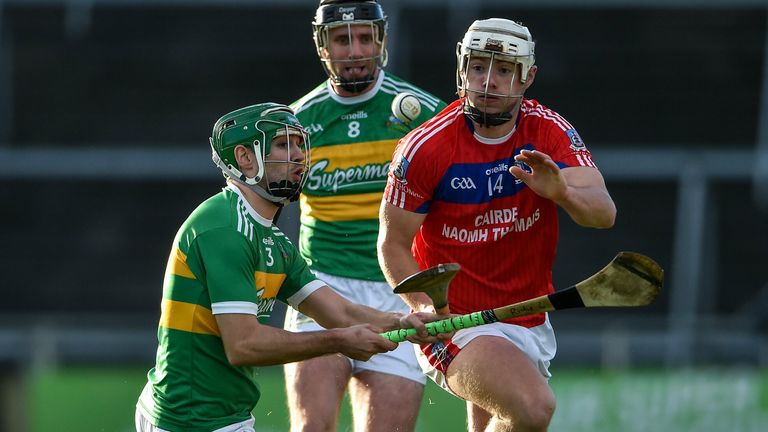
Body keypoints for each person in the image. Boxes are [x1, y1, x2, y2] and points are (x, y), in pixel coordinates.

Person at [134, 103, 445, 432]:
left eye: (299, 144)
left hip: (220, 417)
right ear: (244, 157)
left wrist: (405, 322)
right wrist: (338, 341)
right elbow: (243, 345)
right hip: (188, 421)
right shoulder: (224, 228)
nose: (298, 155)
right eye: (283, 145)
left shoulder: (273, 240)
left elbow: (338, 312)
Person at [378, 18, 617, 432]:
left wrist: (562, 193)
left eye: (504, 70)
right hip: (456, 322)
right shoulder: (425, 147)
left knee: (500, 420)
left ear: (527, 78)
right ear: (461, 69)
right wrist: (421, 307)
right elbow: (392, 242)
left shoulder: (548, 131)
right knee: (533, 408)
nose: (487, 82)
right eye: (477, 67)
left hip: (528, 317)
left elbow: (603, 214)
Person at [283, 1, 447, 431]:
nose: (354, 50)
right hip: (322, 288)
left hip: (400, 293)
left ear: (380, 41)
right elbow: (260, 209)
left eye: (363, 38)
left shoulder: (425, 117)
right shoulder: (297, 123)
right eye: (341, 39)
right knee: (311, 427)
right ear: (323, 47)